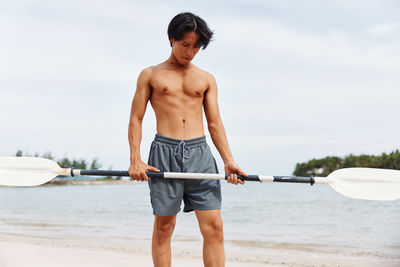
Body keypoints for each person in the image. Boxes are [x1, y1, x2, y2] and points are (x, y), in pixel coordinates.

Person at [128, 12, 247, 267]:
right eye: (185, 45)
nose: (190, 52)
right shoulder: (149, 75)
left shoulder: (206, 79)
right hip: (164, 153)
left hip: (200, 154)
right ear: (171, 39)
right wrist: (135, 159)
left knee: (214, 226)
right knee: (164, 226)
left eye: (196, 47)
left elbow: (214, 123)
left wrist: (228, 160)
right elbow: (136, 119)